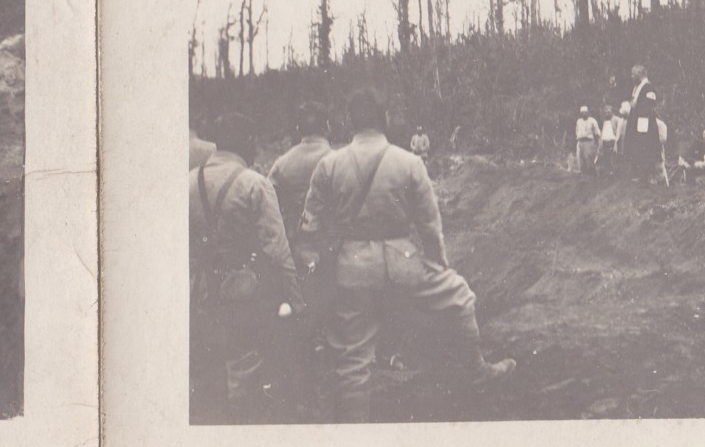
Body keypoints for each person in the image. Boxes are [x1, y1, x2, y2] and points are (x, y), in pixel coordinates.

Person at [299, 88, 514, 422]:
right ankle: (477, 372)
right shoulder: (409, 162)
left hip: (351, 269)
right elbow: (430, 226)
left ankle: (354, 438)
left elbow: (310, 229)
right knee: (460, 296)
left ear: (349, 122)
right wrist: (438, 264)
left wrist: (325, 269)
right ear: (385, 119)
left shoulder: (329, 165)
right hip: (403, 265)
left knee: (353, 361)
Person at [189, 112, 302, 424]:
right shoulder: (254, 184)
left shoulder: (186, 183)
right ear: (247, 143)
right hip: (243, 295)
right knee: (243, 370)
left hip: (198, 293)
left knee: (207, 371)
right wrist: (295, 300)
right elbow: (278, 251)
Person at [269, 102, 334, 252]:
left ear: (298, 129)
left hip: (295, 245)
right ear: (327, 127)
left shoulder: (281, 164)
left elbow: (268, 206)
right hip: (331, 245)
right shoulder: (338, 162)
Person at [622, 66, 663, 180]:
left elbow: (649, 104)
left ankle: (647, 175)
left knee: (645, 146)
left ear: (640, 74)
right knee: (636, 146)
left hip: (645, 121)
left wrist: (633, 108)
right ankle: (639, 174)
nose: (632, 77)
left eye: (633, 74)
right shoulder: (637, 87)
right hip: (637, 120)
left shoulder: (648, 87)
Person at [574, 106, 601, 175]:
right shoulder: (579, 121)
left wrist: (597, 145)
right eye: (582, 113)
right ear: (580, 113)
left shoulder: (592, 121)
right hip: (580, 142)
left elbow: (597, 133)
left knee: (589, 158)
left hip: (588, 141)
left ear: (588, 112)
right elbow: (577, 131)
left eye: (585, 112)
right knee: (580, 159)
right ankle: (583, 175)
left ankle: (592, 176)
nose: (584, 114)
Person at [598, 104, 621, 176]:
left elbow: (619, 132)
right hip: (605, 142)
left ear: (612, 112)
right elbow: (603, 132)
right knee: (606, 158)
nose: (607, 114)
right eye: (605, 113)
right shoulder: (605, 121)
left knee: (612, 158)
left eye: (608, 112)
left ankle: (614, 174)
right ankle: (608, 174)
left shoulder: (617, 119)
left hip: (612, 141)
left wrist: (616, 143)